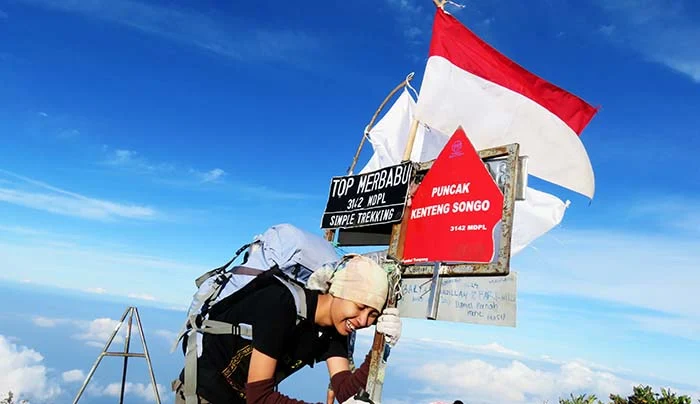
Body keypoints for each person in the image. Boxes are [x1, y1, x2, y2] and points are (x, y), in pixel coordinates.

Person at [173, 253, 402, 404]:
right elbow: (259, 397)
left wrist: (380, 351)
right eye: (360, 306)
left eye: (373, 314)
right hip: (202, 395)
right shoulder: (281, 304)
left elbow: (344, 390)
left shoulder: (334, 330)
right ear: (337, 291)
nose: (363, 320)